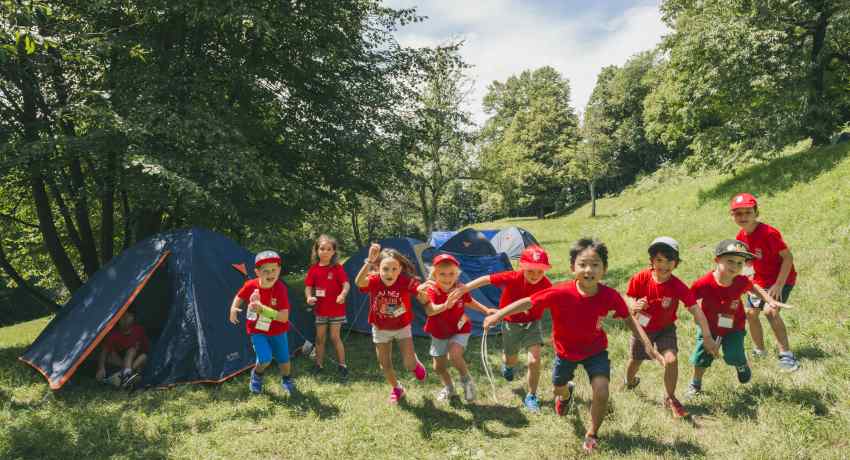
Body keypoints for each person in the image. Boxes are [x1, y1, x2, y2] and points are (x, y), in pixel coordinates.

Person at [483, 238, 663, 453]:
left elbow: (629, 319)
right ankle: (566, 394)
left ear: (604, 269)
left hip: (595, 351)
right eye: (583, 264)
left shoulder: (610, 295)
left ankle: (592, 433)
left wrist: (648, 346)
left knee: (602, 390)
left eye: (595, 264)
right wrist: (499, 315)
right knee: (558, 388)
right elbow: (528, 302)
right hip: (565, 353)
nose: (589, 269)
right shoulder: (560, 292)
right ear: (572, 268)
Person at [623, 237, 717, 418]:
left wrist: (706, 336)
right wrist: (633, 305)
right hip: (642, 329)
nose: (663, 265)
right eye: (659, 260)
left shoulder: (677, 286)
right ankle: (629, 381)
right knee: (636, 359)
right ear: (651, 261)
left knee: (671, 360)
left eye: (669, 261)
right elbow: (629, 297)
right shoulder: (641, 278)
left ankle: (670, 397)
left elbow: (696, 310)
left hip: (666, 329)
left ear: (676, 263)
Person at [459, 245, 553, 413]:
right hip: (511, 324)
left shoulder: (546, 284)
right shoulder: (512, 277)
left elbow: (556, 305)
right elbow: (487, 279)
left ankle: (531, 395)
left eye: (540, 271)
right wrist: (466, 288)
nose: (535, 276)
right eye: (531, 271)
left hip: (533, 324)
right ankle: (508, 366)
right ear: (522, 266)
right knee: (511, 358)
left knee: (534, 360)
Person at [686, 239, 785, 398]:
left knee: (733, 355)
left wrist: (769, 300)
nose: (735, 266)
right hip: (709, 327)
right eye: (730, 261)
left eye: (740, 263)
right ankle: (695, 383)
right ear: (717, 260)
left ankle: (741, 364)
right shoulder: (704, 283)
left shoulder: (740, 281)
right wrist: (697, 317)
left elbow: (753, 286)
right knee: (701, 357)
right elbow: (689, 300)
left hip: (734, 326)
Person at [730, 192, 800, 371]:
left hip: (781, 279)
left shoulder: (769, 233)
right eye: (738, 213)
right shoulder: (740, 237)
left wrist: (778, 285)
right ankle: (759, 350)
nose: (743, 217)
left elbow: (788, 258)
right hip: (760, 281)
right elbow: (747, 262)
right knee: (750, 313)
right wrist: (748, 281)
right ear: (733, 216)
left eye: (747, 212)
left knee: (770, 311)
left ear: (756, 212)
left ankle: (786, 355)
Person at [354, 243, 429, 403]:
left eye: (394, 269)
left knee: (409, 364)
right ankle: (397, 388)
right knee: (384, 364)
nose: (390, 273)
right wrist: (369, 262)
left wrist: (424, 295)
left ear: (401, 269)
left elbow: (421, 295)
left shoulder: (405, 281)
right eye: (385, 269)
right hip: (380, 328)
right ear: (378, 269)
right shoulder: (374, 280)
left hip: (402, 327)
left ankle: (415, 364)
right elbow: (359, 283)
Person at [423, 254, 498, 402]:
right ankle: (449, 388)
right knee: (438, 367)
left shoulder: (459, 287)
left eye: (451, 273)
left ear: (457, 274)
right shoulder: (431, 289)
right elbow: (429, 310)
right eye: (442, 274)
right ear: (434, 274)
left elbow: (469, 301)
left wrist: (485, 310)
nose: (447, 278)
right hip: (439, 332)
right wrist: (445, 306)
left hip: (460, 328)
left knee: (454, 355)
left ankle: (467, 382)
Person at [229, 250, 295, 395]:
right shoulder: (250, 285)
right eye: (265, 271)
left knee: (284, 359)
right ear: (257, 272)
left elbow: (284, 317)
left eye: (274, 270)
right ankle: (257, 376)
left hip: (278, 330)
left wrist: (262, 310)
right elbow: (239, 296)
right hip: (257, 331)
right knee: (265, 359)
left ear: (279, 270)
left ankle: (287, 379)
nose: (270, 274)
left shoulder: (280, 288)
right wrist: (234, 308)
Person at [305, 234, 351, 380]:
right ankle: (319, 365)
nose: (325, 251)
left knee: (335, 337)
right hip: (321, 310)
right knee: (319, 338)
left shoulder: (337, 268)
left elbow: (346, 284)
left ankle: (342, 365)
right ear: (317, 251)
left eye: (328, 249)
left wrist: (343, 294)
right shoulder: (313, 269)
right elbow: (308, 286)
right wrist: (309, 297)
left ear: (333, 252)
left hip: (336, 310)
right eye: (322, 248)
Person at [96, 309, 149, 389]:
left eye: (128, 316)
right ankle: (128, 375)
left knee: (136, 353)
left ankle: (125, 374)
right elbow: (104, 351)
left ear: (133, 318)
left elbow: (145, 349)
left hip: (134, 360)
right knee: (110, 355)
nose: (125, 319)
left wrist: (137, 349)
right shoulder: (113, 333)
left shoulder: (138, 330)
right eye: (122, 316)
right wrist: (101, 368)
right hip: (118, 360)